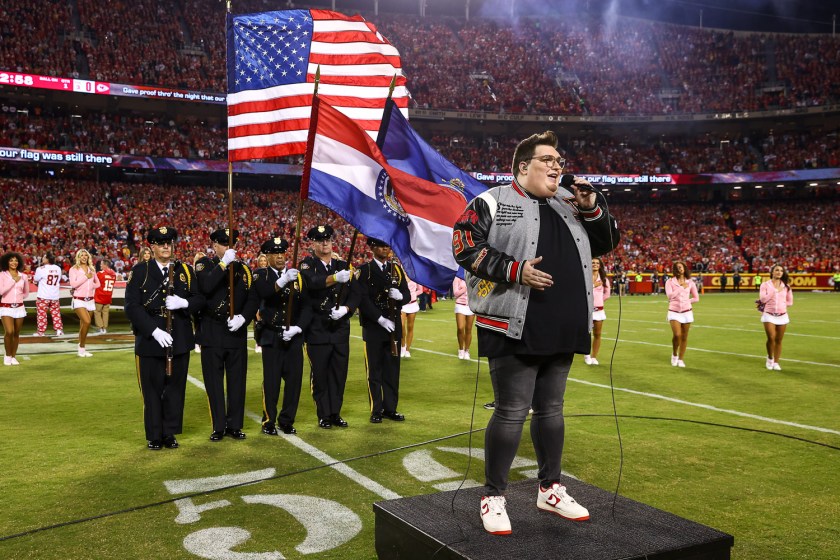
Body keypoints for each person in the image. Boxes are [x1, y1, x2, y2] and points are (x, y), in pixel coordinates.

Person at [452, 130, 619, 535]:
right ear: (523, 166)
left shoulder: (570, 201)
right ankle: (493, 495)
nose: (558, 166)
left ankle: (551, 488)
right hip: (511, 320)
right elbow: (462, 244)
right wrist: (515, 269)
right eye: (548, 160)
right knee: (511, 410)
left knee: (552, 410)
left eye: (560, 160)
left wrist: (593, 208)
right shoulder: (492, 200)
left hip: (562, 320)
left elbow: (608, 242)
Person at [125, 226, 204, 450]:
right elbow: (131, 306)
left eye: (169, 242)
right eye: (161, 243)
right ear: (152, 246)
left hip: (179, 336)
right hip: (151, 339)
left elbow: (199, 298)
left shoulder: (185, 271)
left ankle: (169, 432)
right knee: (152, 389)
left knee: (175, 388)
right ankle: (154, 434)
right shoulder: (141, 271)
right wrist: (153, 330)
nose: (166, 247)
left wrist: (185, 303)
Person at [194, 228, 256, 442]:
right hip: (212, 331)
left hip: (235, 333)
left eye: (232, 244)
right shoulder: (204, 265)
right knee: (214, 383)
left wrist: (244, 318)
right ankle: (218, 426)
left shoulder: (244, 270)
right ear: (214, 245)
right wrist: (223, 265)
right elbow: (206, 286)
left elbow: (252, 299)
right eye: (223, 243)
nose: (230, 248)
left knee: (237, 382)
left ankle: (235, 426)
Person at [250, 237, 312, 435]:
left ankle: (287, 420)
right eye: (274, 253)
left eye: (282, 253)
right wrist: (283, 280)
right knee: (272, 381)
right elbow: (265, 293)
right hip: (272, 334)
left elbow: (307, 307)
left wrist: (298, 328)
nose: (279, 257)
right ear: (266, 256)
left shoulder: (299, 278)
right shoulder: (261, 275)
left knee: (293, 381)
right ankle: (268, 420)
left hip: (293, 336)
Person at [299, 224, 359, 429]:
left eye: (328, 239)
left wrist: (347, 309)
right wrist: (334, 278)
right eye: (320, 240)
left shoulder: (344, 264)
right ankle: (323, 414)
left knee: (339, 374)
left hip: (340, 328)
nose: (325, 243)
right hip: (318, 329)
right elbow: (312, 282)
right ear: (313, 243)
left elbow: (357, 292)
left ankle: (335, 412)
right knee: (321, 374)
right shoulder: (307, 264)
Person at [357, 238, 411, 423]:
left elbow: (407, 294)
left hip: (393, 327)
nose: (386, 249)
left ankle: (391, 408)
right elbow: (362, 299)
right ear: (372, 248)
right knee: (374, 371)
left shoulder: (395, 269)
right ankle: (376, 409)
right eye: (381, 246)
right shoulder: (365, 271)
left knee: (392, 370)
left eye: (387, 245)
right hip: (374, 327)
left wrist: (401, 295)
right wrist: (380, 319)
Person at [759, 264, 793, 371]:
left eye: (781, 271)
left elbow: (790, 302)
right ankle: (769, 358)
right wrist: (774, 291)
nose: (779, 272)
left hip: (782, 315)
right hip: (768, 314)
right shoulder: (765, 285)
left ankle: (776, 362)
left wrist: (782, 305)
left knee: (779, 340)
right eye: (777, 270)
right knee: (771, 338)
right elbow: (763, 299)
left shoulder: (786, 286)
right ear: (772, 272)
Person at [665, 261, 699, 368]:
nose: (680, 269)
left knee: (684, 337)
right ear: (675, 269)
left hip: (687, 312)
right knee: (677, 335)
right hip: (674, 312)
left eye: (682, 267)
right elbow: (670, 296)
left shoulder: (690, 282)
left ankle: (681, 359)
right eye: (678, 267)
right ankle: (674, 354)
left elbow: (696, 298)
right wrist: (681, 287)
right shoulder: (669, 282)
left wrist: (687, 302)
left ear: (684, 268)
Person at [69, 249, 100, 357]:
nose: (84, 257)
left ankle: (82, 349)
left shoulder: (91, 269)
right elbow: (73, 284)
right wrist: (85, 277)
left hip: (90, 300)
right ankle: (81, 347)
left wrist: (91, 286)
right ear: (78, 257)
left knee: (84, 326)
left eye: (85, 255)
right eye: (81, 255)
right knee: (87, 322)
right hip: (78, 299)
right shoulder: (73, 269)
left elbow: (98, 284)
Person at [1, 252, 29, 366]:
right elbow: (1, 291)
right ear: (7, 262)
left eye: (16, 260)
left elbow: (26, 293)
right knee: (9, 331)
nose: (14, 262)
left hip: (19, 307)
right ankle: (7, 356)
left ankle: (13, 356)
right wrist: (13, 280)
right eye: (11, 260)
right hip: (6, 307)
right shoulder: (2, 275)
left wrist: (17, 298)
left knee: (16, 333)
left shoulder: (24, 276)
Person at [584, 257, 611, 365]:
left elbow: (607, 294)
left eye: (597, 263)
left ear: (600, 265)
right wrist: (593, 286)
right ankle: (586, 355)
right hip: (587, 310)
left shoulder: (604, 279)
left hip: (599, 310)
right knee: (586, 333)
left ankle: (594, 357)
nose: (595, 264)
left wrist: (598, 302)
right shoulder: (585, 277)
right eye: (593, 263)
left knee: (597, 334)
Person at [33, 253, 64, 337]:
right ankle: (59, 330)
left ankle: (41, 332)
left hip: (43, 295)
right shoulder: (58, 268)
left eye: (44, 257)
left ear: (47, 259)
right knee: (56, 313)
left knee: (41, 314)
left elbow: (35, 279)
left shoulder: (40, 269)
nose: (43, 259)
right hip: (55, 295)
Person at [452, 275, 475, 360]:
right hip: (460, 305)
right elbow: (455, 293)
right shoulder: (457, 278)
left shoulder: (474, 277)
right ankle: (461, 349)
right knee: (460, 328)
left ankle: (467, 351)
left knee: (468, 329)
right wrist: (466, 288)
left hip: (471, 306)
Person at [93, 259, 117, 334]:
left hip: (100, 295)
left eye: (101, 264)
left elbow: (93, 282)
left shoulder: (100, 273)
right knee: (105, 312)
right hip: (108, 296)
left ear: (105, 265)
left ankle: (101, 328)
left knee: (97, 312)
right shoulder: (113, 274)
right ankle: (105, 328)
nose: (100, 265)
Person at [400, 275, 420, 357]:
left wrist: (412, 294)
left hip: (413, 304)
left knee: (410, 327)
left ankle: (408, 349)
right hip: (403, 304)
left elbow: (420, 290)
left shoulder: (415, 275)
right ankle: (402, 347)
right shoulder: (400, 275)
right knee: (401, 326)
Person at [254, 253, 268, 354]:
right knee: (258, 322)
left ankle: (264, 342)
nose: (263, 262)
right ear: (258, 262)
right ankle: (258, 342)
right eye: (261, 261)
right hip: (259, 300)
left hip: (268, 300)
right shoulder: (256, 273)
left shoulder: (270, 272)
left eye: (264, 260)